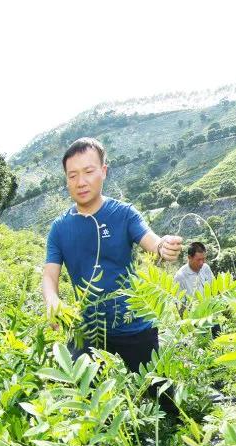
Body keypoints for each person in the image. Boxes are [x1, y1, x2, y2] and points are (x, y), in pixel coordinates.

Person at [42, 137, 182, 416]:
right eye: (73, 175)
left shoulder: (124, 213)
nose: (81, 181)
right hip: (87, 330)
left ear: (104, 171)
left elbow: (152, 243)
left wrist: (164, 247)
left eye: (89, 171)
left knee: (163, 397)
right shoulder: (59, 228)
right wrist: (53, 301)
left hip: (135, 326)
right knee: (85, 401)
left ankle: (180, 440)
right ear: (67, 180)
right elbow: (49, 276)